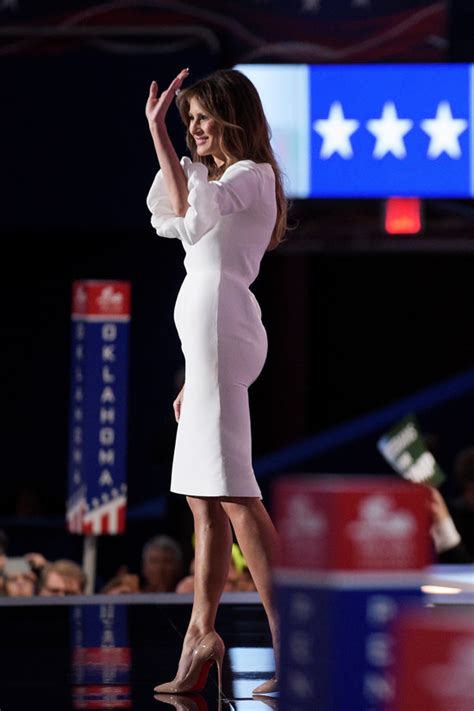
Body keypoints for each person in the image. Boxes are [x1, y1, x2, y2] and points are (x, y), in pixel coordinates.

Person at [145, 67, 286, 696]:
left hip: (224, 333)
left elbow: (196, 213)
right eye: (188, 119)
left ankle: (294, 641)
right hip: (207, 349)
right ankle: (201, 635)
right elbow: (182, 213)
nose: (193, 128)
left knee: (234, 495)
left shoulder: (249, 176)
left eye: (203, 117)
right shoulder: (219, 180)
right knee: (204, 499)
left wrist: (158, 138)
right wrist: (195, 377)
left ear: (232, 116)